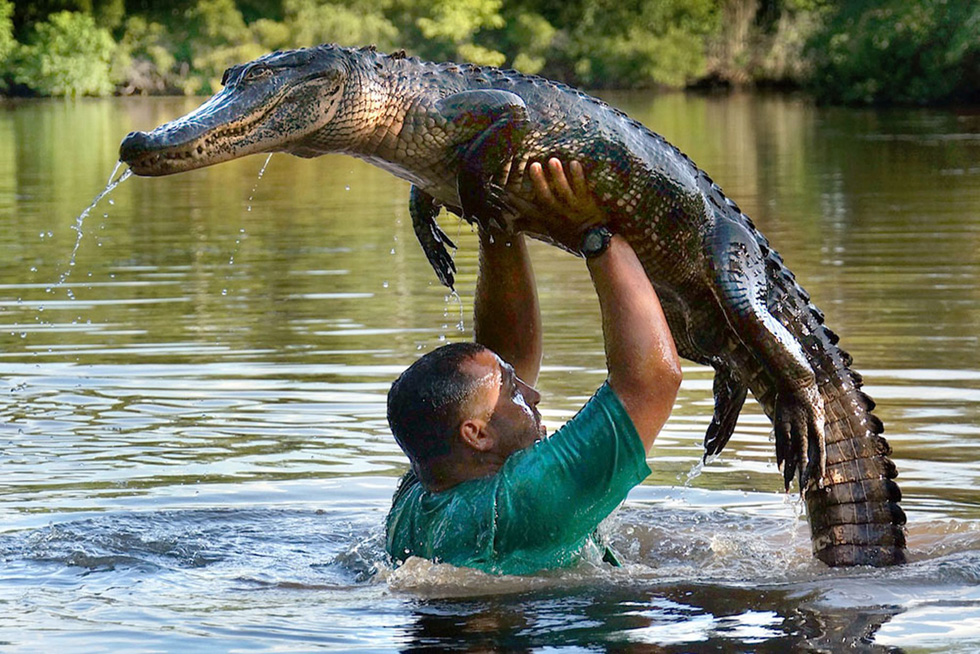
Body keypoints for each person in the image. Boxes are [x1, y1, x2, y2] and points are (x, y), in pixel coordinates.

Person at [385, 159, 681, 575]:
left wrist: (496, 221)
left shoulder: (418, 497)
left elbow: (499, 363)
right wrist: (595, 232)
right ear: (476, 434)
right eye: (513, 391)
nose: (533, 394)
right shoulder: (523, 500)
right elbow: (651, 380)